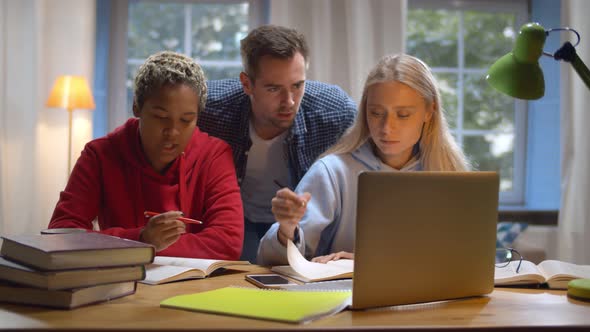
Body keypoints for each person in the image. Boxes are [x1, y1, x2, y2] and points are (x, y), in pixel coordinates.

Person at [258, 53, 471, 266]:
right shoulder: (332, 172)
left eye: (403, 114)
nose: (387, 128)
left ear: (429, 111)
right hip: (345, 296)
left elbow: (464, 259)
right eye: (376, 113)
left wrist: (373, 262)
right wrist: (287, 229)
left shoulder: (450, 173)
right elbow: (271, 262)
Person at [49, 51, 244, 260]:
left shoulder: (214, 155)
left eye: (186, 120)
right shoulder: (99, 155)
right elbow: (62, 233)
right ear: (136, 107)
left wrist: (142, 247)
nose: (173, 131)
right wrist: (141, 239)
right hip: (122, 283)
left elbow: (228, 243)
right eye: (160, 117)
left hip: (194, 285)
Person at [198, 25, 357, 263]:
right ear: (246, 84)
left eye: (297, 85)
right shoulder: (210, 110)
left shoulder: (335, 112)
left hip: (301, 226)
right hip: (236, 220)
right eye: (273, 88)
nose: (289, 101)